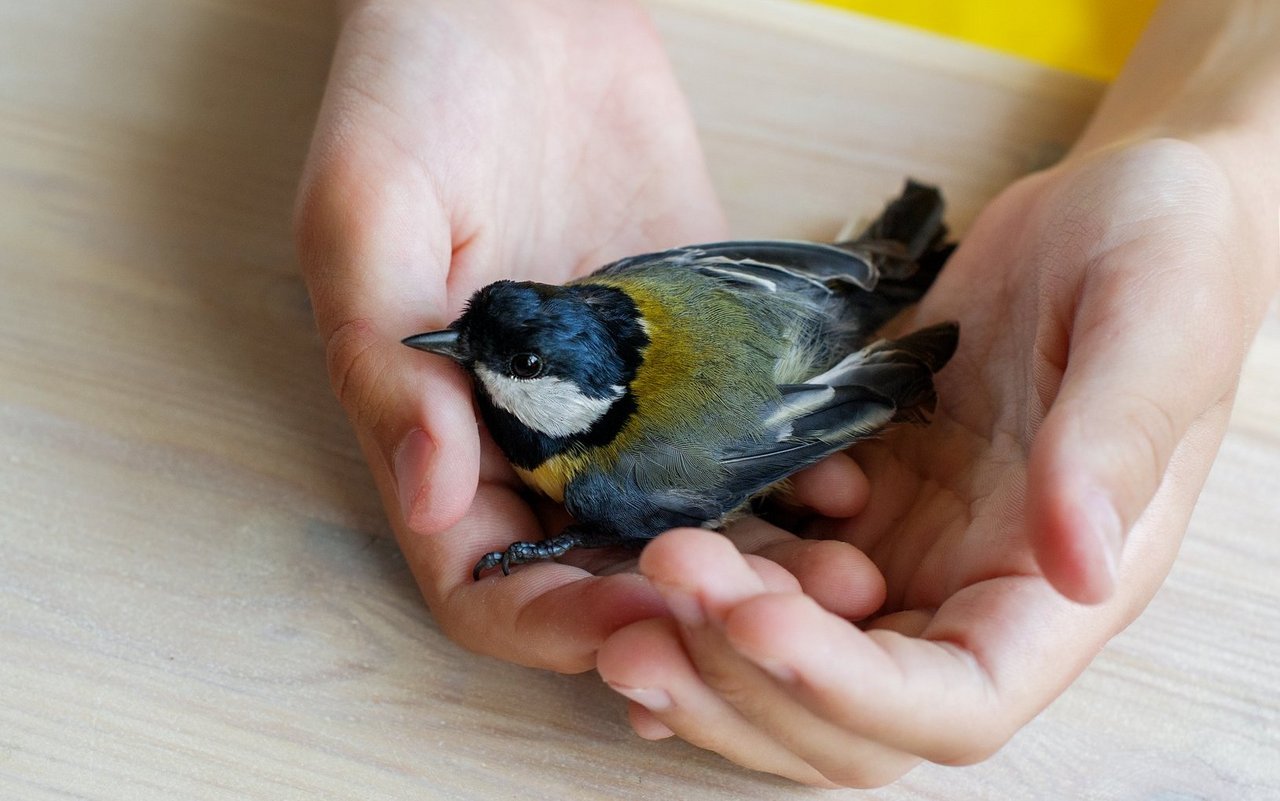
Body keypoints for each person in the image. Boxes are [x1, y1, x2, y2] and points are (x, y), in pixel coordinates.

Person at [293, 0, 1279, 787]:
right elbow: (738, 283)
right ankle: (895, 256)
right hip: (808, 273)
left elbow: (785, 437)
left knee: (600, 515)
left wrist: (1226, 150)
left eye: (505, 363)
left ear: (576, 383)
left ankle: (896, 259)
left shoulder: (611, 471)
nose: (465, 361)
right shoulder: (628, 292)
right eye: (472, 348)